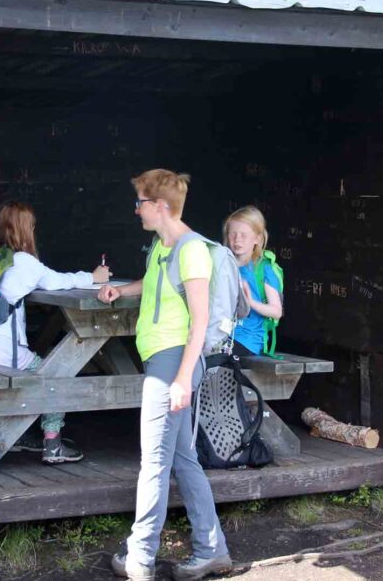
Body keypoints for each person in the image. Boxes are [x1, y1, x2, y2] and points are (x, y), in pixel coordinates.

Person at [98, 169, 231, 581]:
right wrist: (122, 290)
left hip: (174, 363)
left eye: (140, 202)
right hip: (162, 359)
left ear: (161, 206)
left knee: (153, 461)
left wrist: (181, 379)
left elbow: (200, 319)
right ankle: (213, 551)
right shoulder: (162, 246)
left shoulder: (192, 251)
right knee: (182, 459)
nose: (136, 209)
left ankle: (140, 558)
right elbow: (155, 282)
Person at [0, 200, 111, 464]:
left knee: (40, 372)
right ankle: (52, 443)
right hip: (5, 356)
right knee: (56, 376)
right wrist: (94, 277)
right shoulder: (24, 262)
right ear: (26, 230)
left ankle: (16, 436)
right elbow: (59, 281)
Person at [224, 205, 283, 357]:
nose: (237, 239)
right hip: (222, 335)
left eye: (243, 235)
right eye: (232, 234)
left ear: (257, 238)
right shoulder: (224, 264)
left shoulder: (263, 269)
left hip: (248, 340)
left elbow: (276, 311)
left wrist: (250, 302)